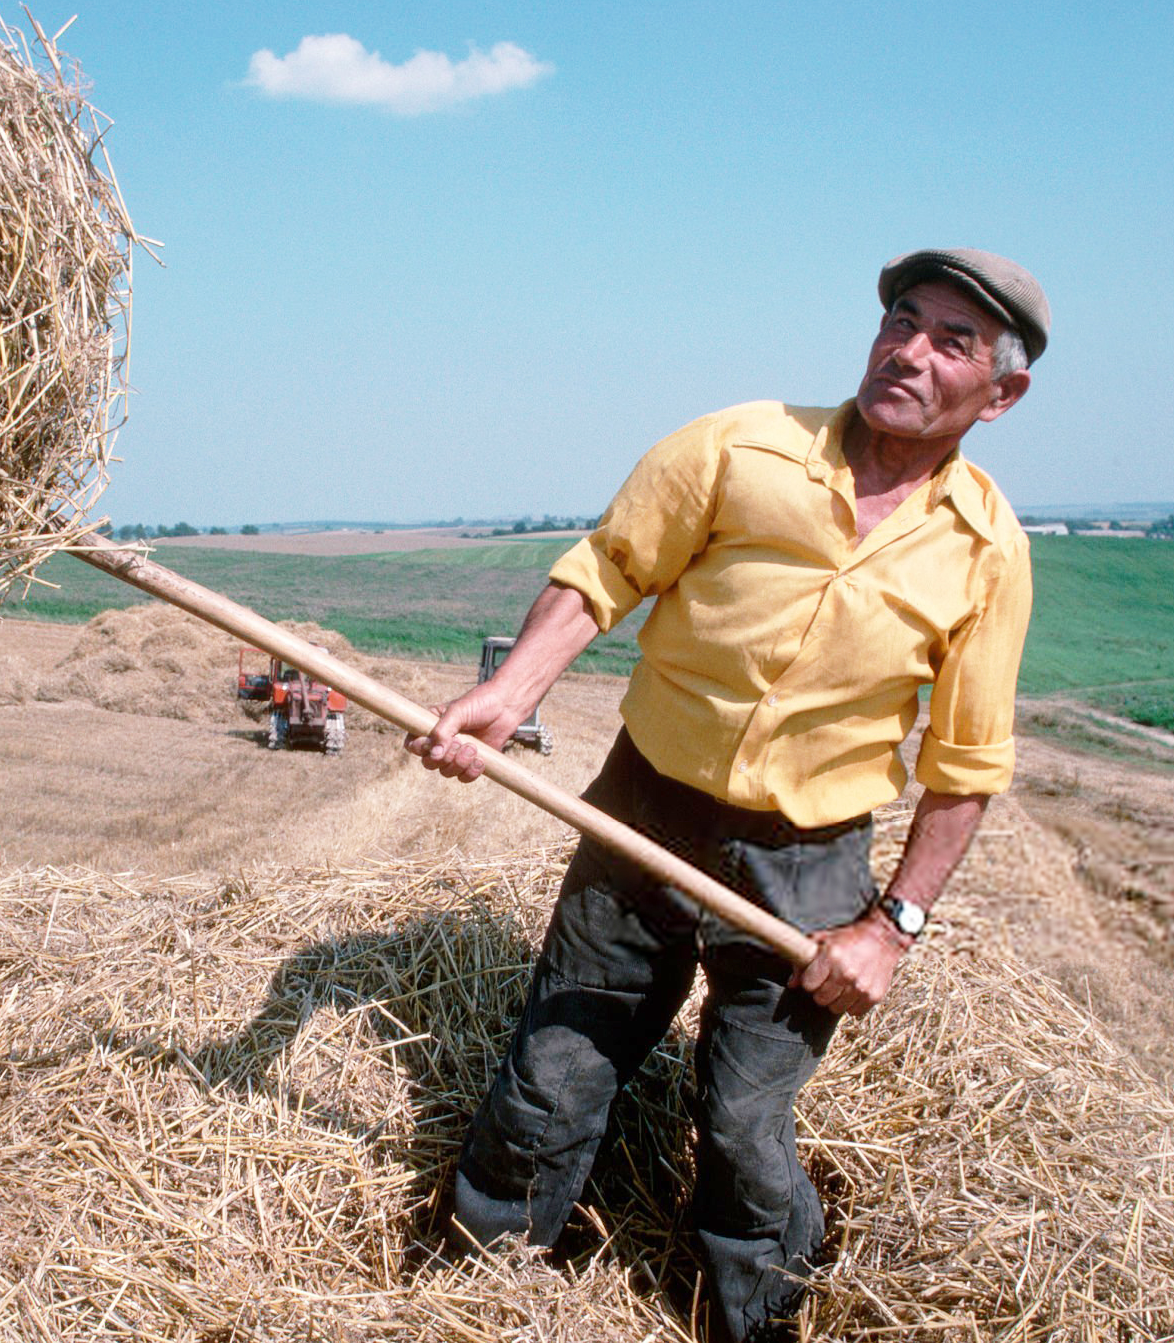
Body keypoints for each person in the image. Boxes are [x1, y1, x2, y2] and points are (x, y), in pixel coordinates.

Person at [406, 248, 1048, 1341]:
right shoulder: (738, 448)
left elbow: (963, 768)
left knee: (748, 1119)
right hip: (642, 814)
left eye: (953, 342)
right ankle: (478, 1283)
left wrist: (890, 927)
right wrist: (507, 694)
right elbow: (607, 568)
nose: (908, 350)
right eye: (901, 319)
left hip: (808, 863)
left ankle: (753, 1317)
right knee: (559, 1067)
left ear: (1000, 394)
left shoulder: (986, 552)